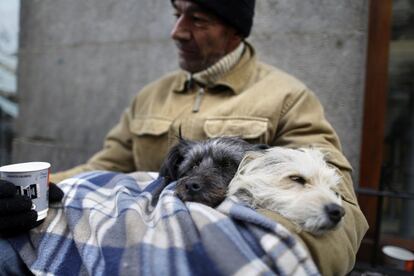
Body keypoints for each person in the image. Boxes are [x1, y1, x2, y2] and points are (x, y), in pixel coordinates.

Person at [0, 0, 368, 274]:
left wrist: (275, 253)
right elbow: (106, 166)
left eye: (198, 19)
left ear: (233, 30)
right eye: (177, 14)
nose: (177, 31)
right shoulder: (151, 95)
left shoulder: (287, 98)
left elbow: (341, 204)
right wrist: (26, 192)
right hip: (126, 245)